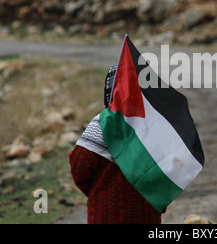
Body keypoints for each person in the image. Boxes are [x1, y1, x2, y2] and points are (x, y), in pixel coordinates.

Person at [69, 65, 162, 224]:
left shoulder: (102, 124)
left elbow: (80, 169)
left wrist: (94, 191)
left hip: (106, 215)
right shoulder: (156, 125)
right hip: (146, 215)